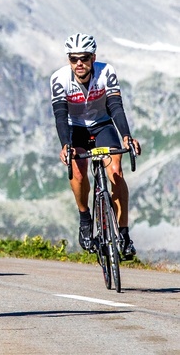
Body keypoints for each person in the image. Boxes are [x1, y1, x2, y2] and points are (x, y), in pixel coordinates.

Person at [50, 33, 141, 259]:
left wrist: (127, 136)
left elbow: (116, 107)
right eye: (73, 59)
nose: (79, 63)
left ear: (93, 57)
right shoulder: (59, 79)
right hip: (75, 129)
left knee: (116, 173)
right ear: (68, 60)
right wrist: (65, 145)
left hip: (102, 126)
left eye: (84, 58)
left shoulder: (106, 72)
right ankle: (85, 218)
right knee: (79, 173)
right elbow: (60, 116)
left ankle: (124, 233)